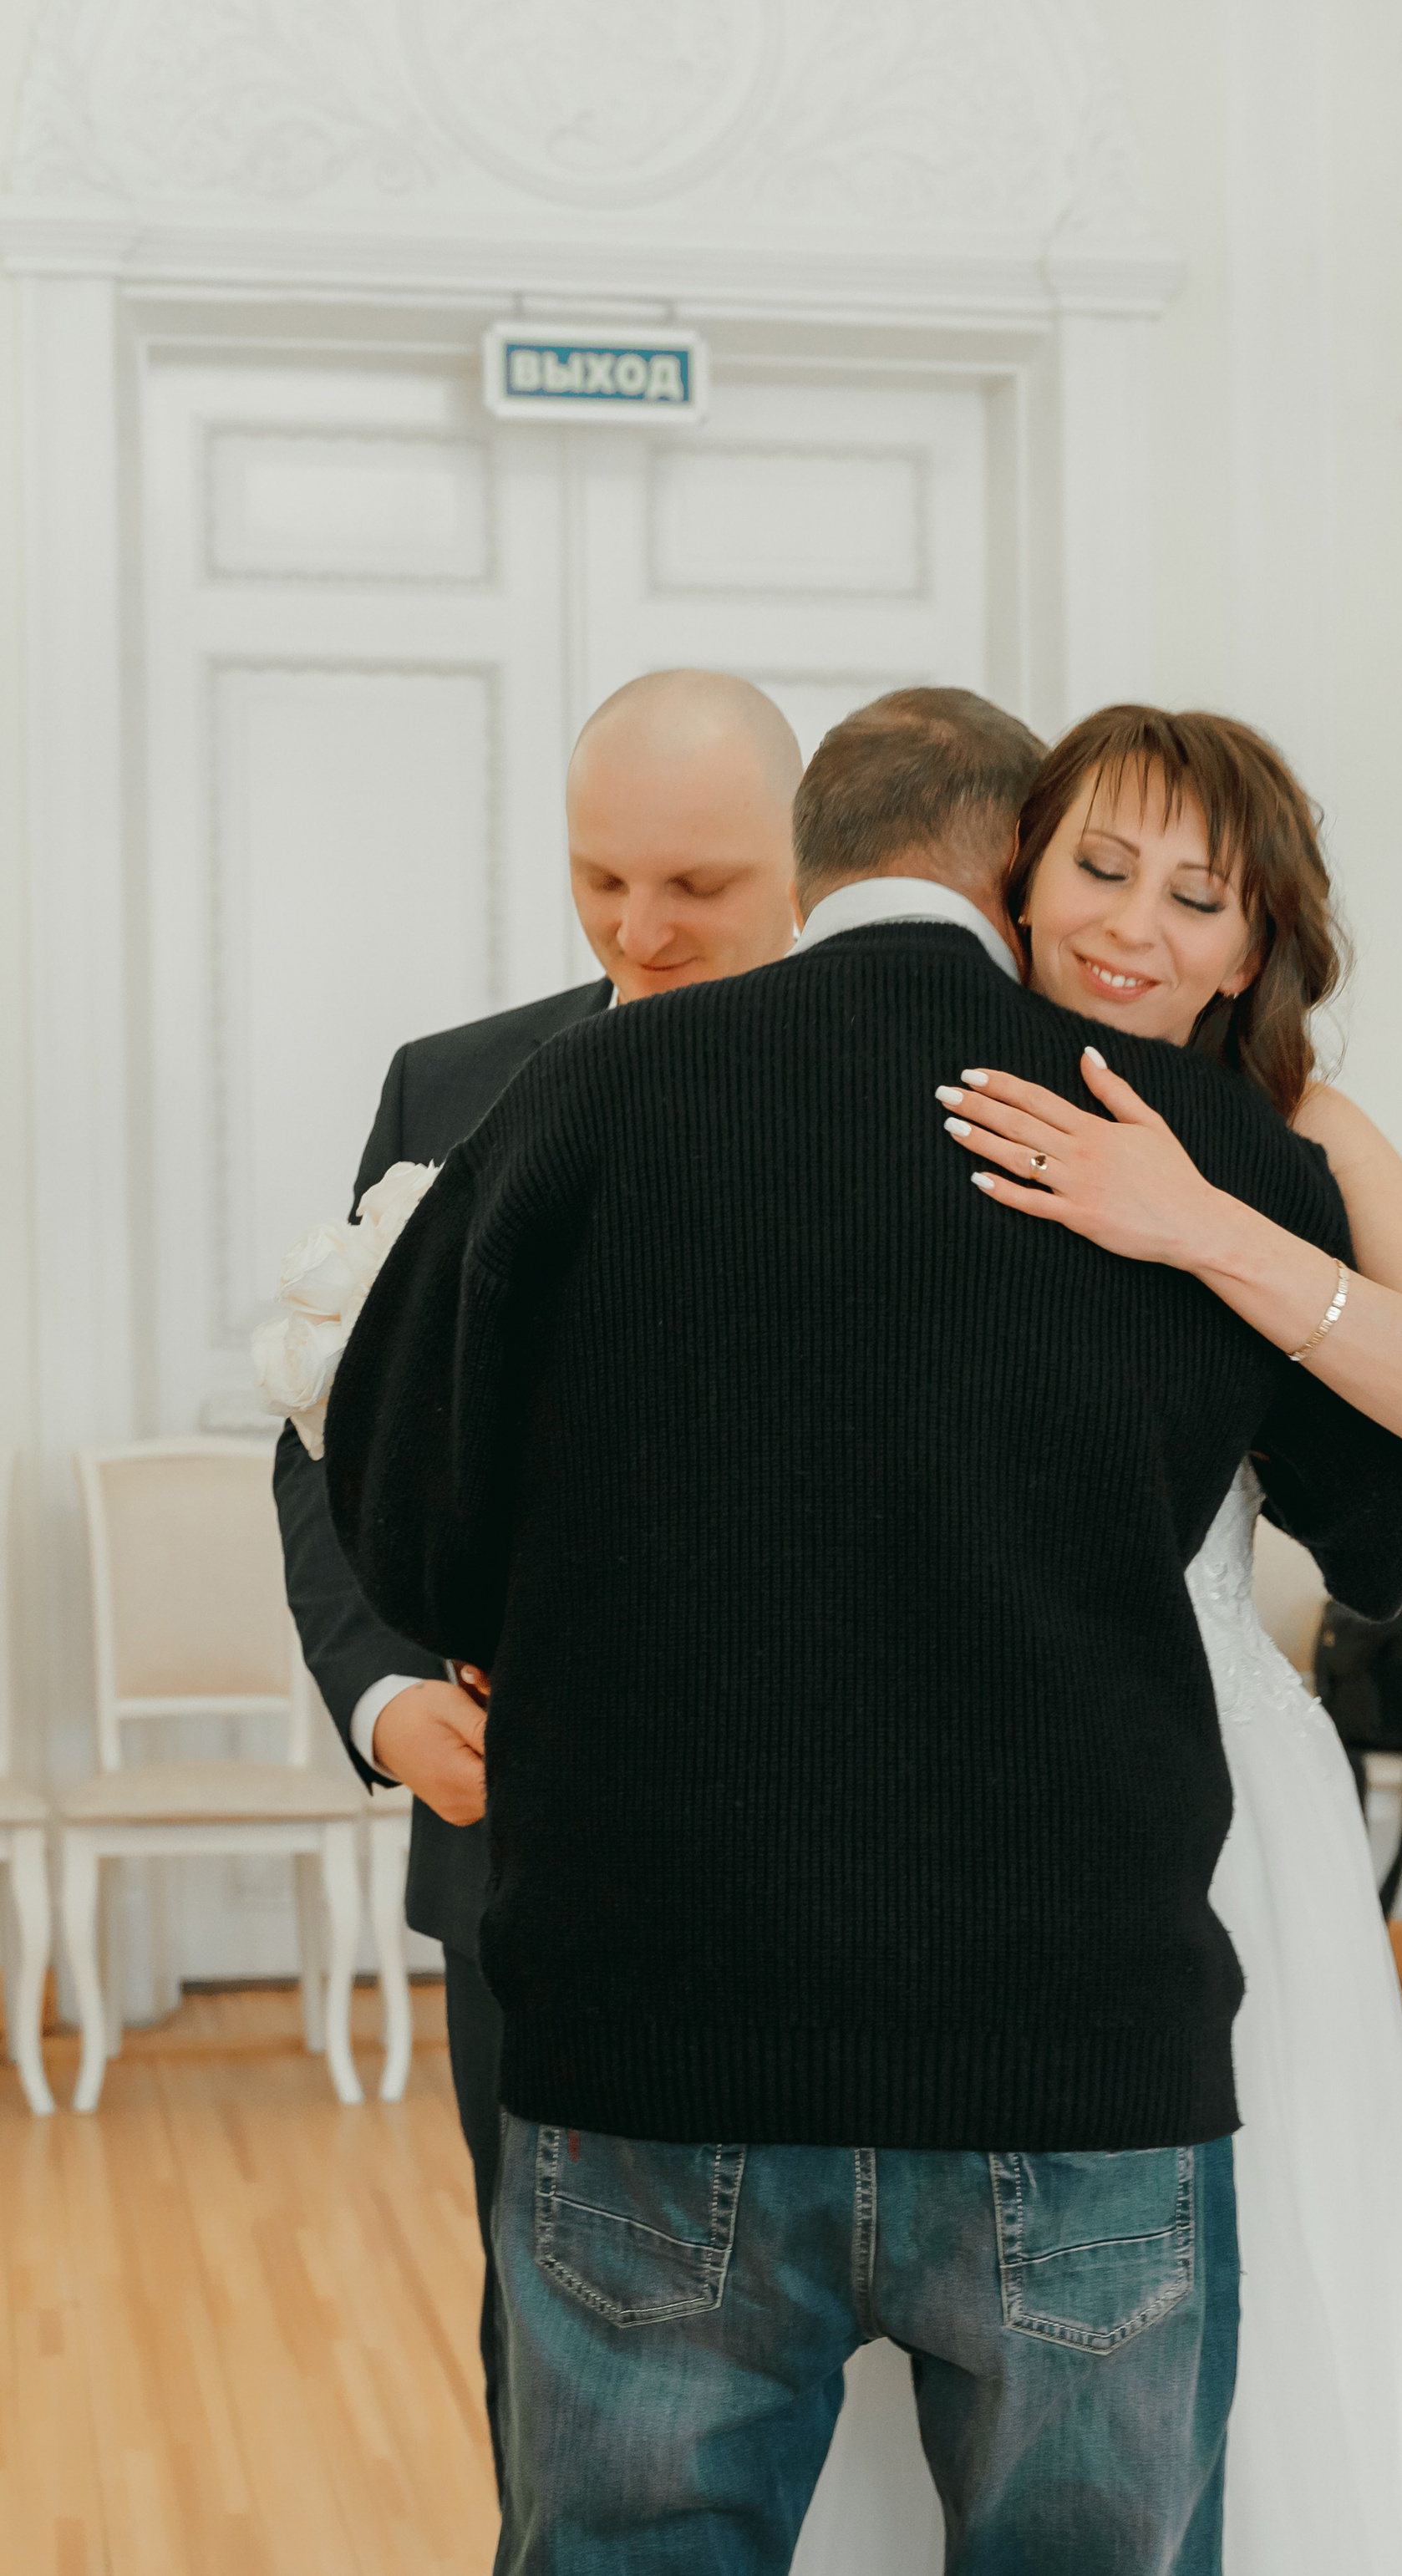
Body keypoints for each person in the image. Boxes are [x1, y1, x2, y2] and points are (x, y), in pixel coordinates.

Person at [322, 687, 1402, 2575]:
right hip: (1074, 2056)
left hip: (657, 2043)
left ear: (807, 866)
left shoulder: (593, 1091)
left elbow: (405, 1524)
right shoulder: (1199, 1152)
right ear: (1010, 868)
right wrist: (1281, 1163)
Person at [912, 704, 1402, 2576]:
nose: (1133, 928)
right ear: (1018, 878)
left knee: (1248, 2281)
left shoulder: (1300, 1131)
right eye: (1100, 869)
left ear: (1254, 942)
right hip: (942, 1747)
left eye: (1196, 898)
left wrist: (1201, 1225)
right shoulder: (934, 1072)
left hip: (1207, 1780)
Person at [272, 668, 802, 2486]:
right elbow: (328, 1433)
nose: (638, 931)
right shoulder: (451, 1085)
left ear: (804, 859)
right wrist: (383, 1690)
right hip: (515, 1845)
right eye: (600, 880)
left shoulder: (913, 1091)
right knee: (558, 2356)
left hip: (820, 1856)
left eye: (698, 886)